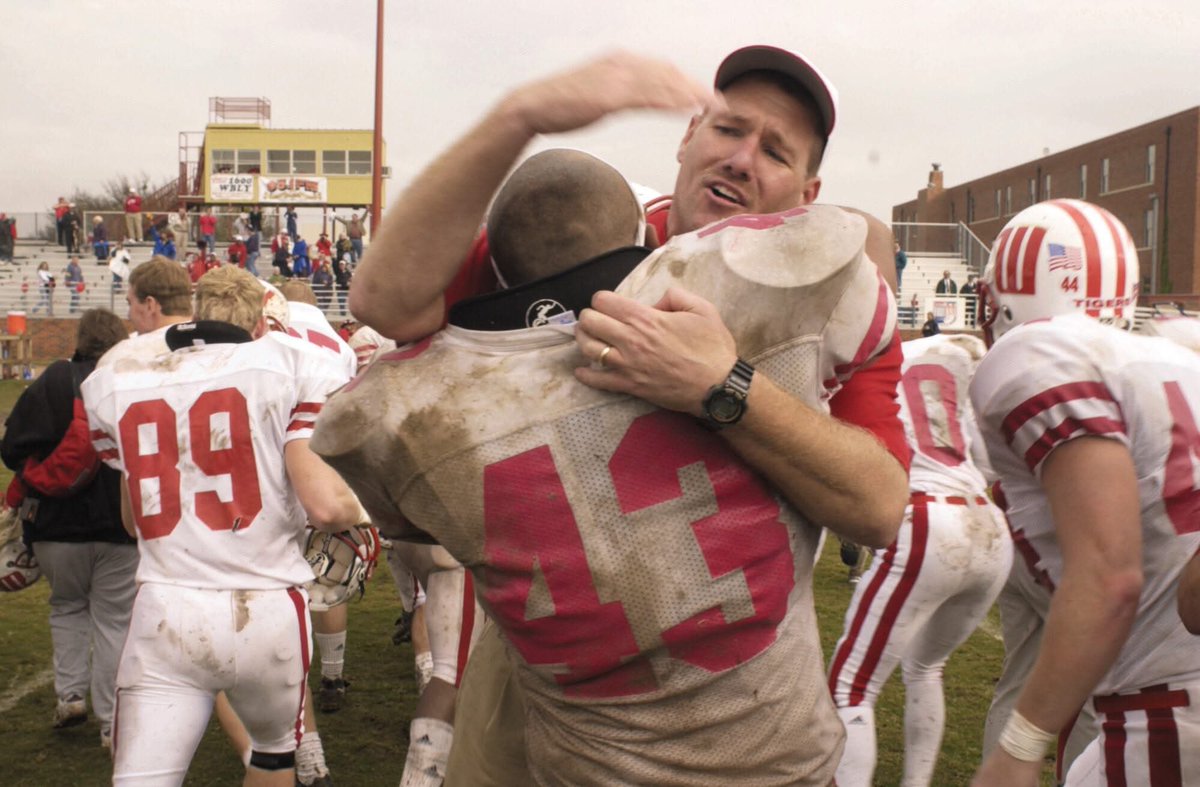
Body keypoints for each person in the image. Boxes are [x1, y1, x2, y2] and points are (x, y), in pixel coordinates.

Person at [322, 43, 910, 780]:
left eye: (775, 151)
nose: (740, 158)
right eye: (729, 130)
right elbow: (386, 301)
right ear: (688, 136)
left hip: (734, 678)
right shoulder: (580, 236)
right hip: (543, 664)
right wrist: (519, 117)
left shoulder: (828, 294)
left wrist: (722, 386)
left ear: (807, 191)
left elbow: (880, 507)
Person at [83, 265, 368, 786]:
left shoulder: (120, 378)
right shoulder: (291, 366)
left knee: (141, 779)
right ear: (262, 323)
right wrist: (360, 514)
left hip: (168, 608)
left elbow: (133, 521)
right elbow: (325, 507)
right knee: (274, 755)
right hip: (267, 607)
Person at [970, 199, 1200, 785]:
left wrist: (1019, 747)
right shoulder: (1175, 354)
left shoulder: (1035, 352)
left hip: (1163, 708)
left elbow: (1109, 575)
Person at [827, 333, 1012, 787]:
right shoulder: (948, 358)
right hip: (986, 524)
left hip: (926, 518)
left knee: (850, 686)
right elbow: (988, 464)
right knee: (926, 667)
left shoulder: (858, 364)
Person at [1, 309, 136, 753]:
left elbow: (12, 447)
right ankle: (111, 721)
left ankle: (70, 696)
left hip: (56, 525)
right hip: (122, 525)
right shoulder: (133, 378)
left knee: (67, 608)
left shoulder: (55, 380)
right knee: (115, 621)